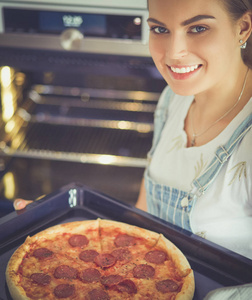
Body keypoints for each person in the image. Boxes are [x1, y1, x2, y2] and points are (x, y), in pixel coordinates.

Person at [14, 0, 252, 259]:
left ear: (243, 28)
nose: (174, 53)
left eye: (198, 28)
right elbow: (143, 219)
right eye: (160, 30)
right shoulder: (173, 100)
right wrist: (62, 231)